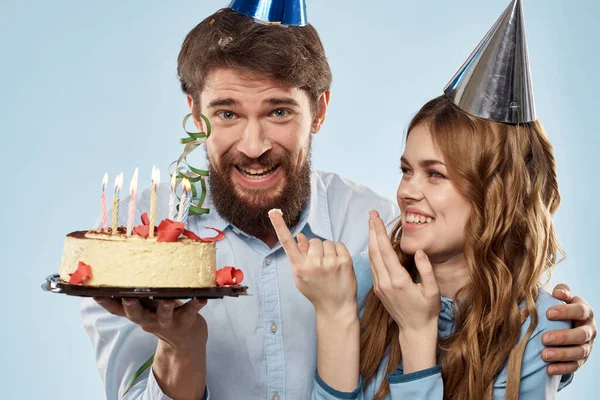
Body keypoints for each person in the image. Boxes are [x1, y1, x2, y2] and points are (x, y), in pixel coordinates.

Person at [81, 3, 596, 400]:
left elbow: (479, 298)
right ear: (195, 115)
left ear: (319, 111)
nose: (255, 144)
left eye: (279, 111)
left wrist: (556, 338)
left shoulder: (378, 239)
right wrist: (179, 345)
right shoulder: (133, 253)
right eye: (228, 113)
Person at [269, 1, 594, 399]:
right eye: (407, 170)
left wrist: (418, 334)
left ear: (497, 194)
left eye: (435, 174)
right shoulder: (364, 283)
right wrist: (337, 315)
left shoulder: (541, 332)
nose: (407, 191)